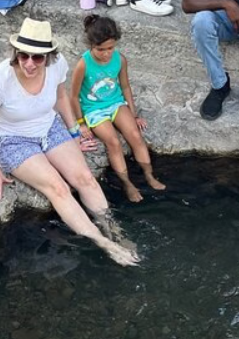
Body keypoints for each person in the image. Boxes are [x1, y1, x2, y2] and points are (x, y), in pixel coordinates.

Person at [0, 18, 139, 266]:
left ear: (49, 56)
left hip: (49, 126)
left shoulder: (58, 64)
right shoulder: (0, 80)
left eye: (37, 58)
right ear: (16, 53)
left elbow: (61, 95)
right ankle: (104, 244)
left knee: (85, 179)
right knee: (58, 188)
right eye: (23, 56)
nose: (29, 63)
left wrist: (73, 134)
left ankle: (115, 231)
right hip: (12, 139)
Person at [71, 15, 167, 203]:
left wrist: (133, 114)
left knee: (135, 135)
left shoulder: (120, 59)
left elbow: (125, 87)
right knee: (113, 142)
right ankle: (127, 183)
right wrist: (81, 123)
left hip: (115, 103)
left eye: (110, 48)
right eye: (101, 49)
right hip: (93, 109)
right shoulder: (83, 64)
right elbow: (73, 96)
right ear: (91, 45)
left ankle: (149, 175)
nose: (107, 54)